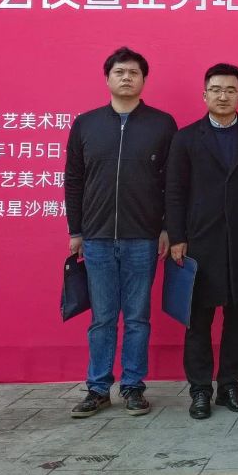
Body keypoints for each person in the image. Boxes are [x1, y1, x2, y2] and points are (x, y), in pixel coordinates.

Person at [63, 46, 178, 417]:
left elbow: (172, 183)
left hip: (143, 237)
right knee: (102, 318)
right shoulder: (86, 124)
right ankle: (97, 388)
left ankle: (133, 386)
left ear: (143, 80)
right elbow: (73, 179)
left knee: (138, 317)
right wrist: (76, 230)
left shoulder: (162, 124)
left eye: (133, 73)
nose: (126, 77)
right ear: (107, 78)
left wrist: (167, 228)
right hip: (96, 237)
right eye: (119, 72)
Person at [166, 63, 238, 420]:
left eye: (230, 90)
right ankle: (200, 389)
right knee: (198, 320)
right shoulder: (185, 138)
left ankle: (229, 386)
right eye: (216, 89)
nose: (223, 96)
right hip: (199, 240)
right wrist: (177, 236)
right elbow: (175, 192)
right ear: (204, 94)